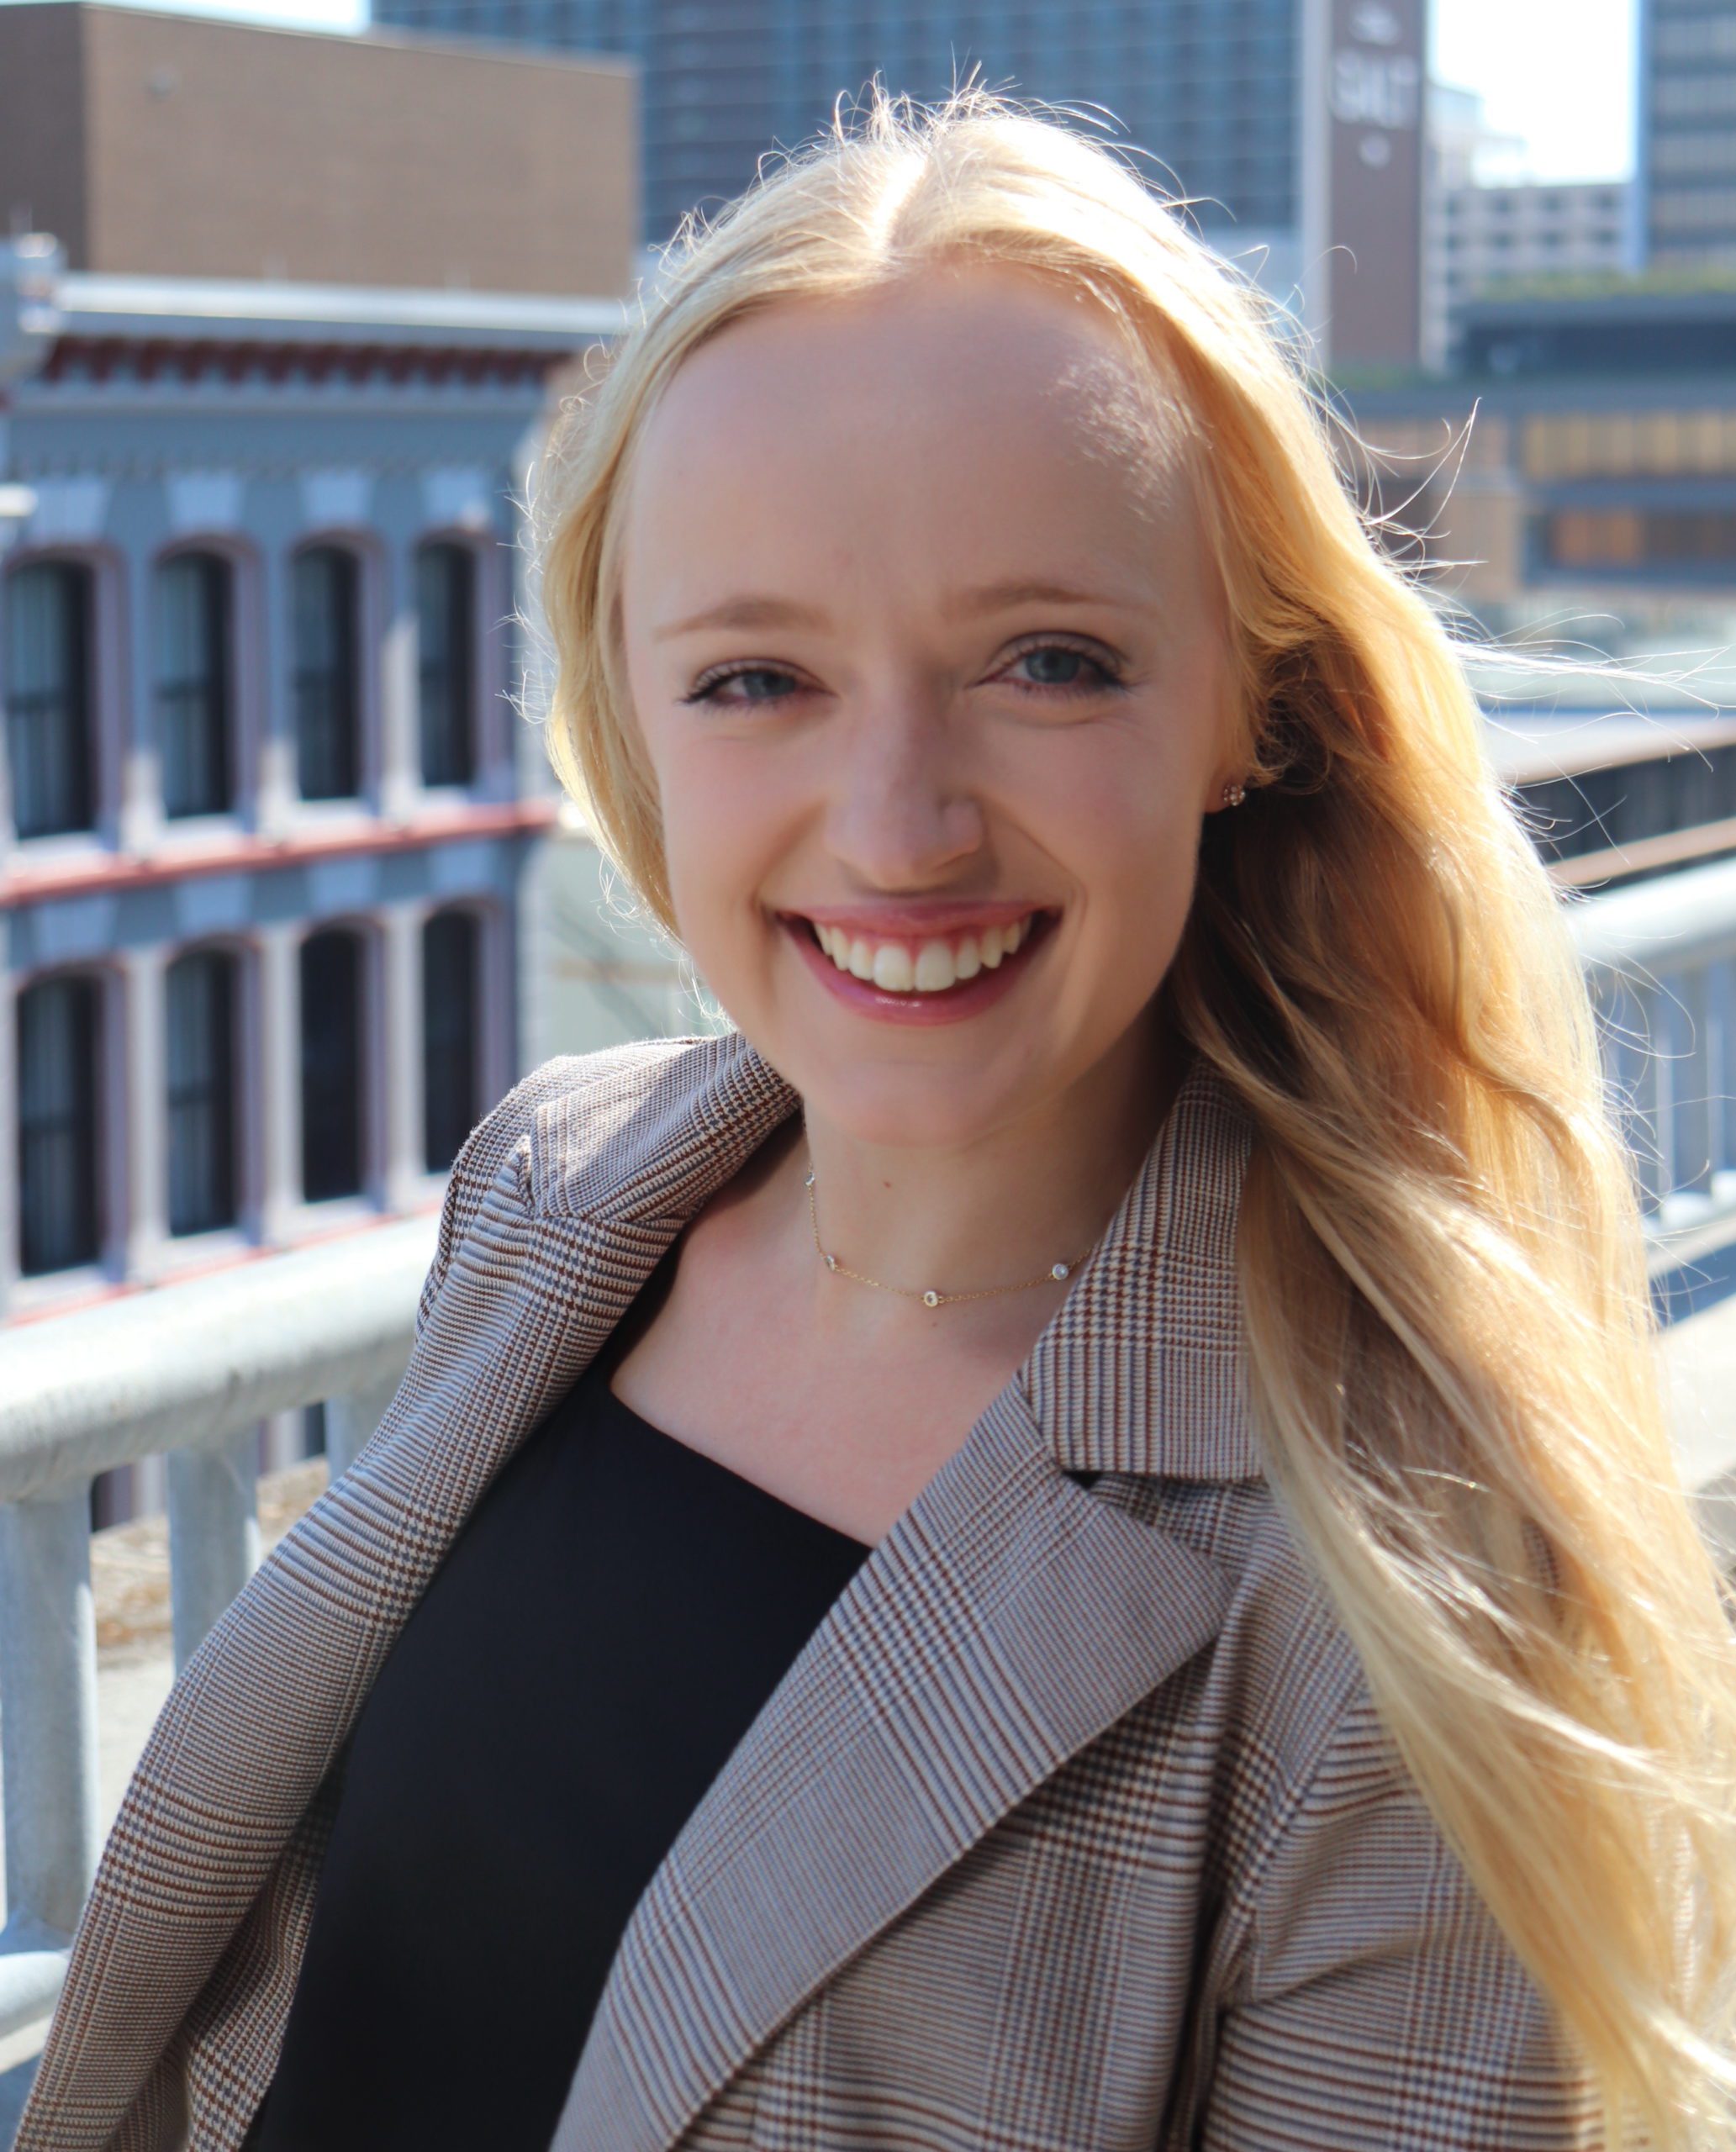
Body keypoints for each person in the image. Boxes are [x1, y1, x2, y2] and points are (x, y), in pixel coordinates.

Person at [16, 84, 1736, 2152]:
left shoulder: (1403, 1587)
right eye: (757, 679)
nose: (900, 825)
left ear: (1248, 709)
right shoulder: (557, 1185)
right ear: (632, 713)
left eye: (1047, 661)